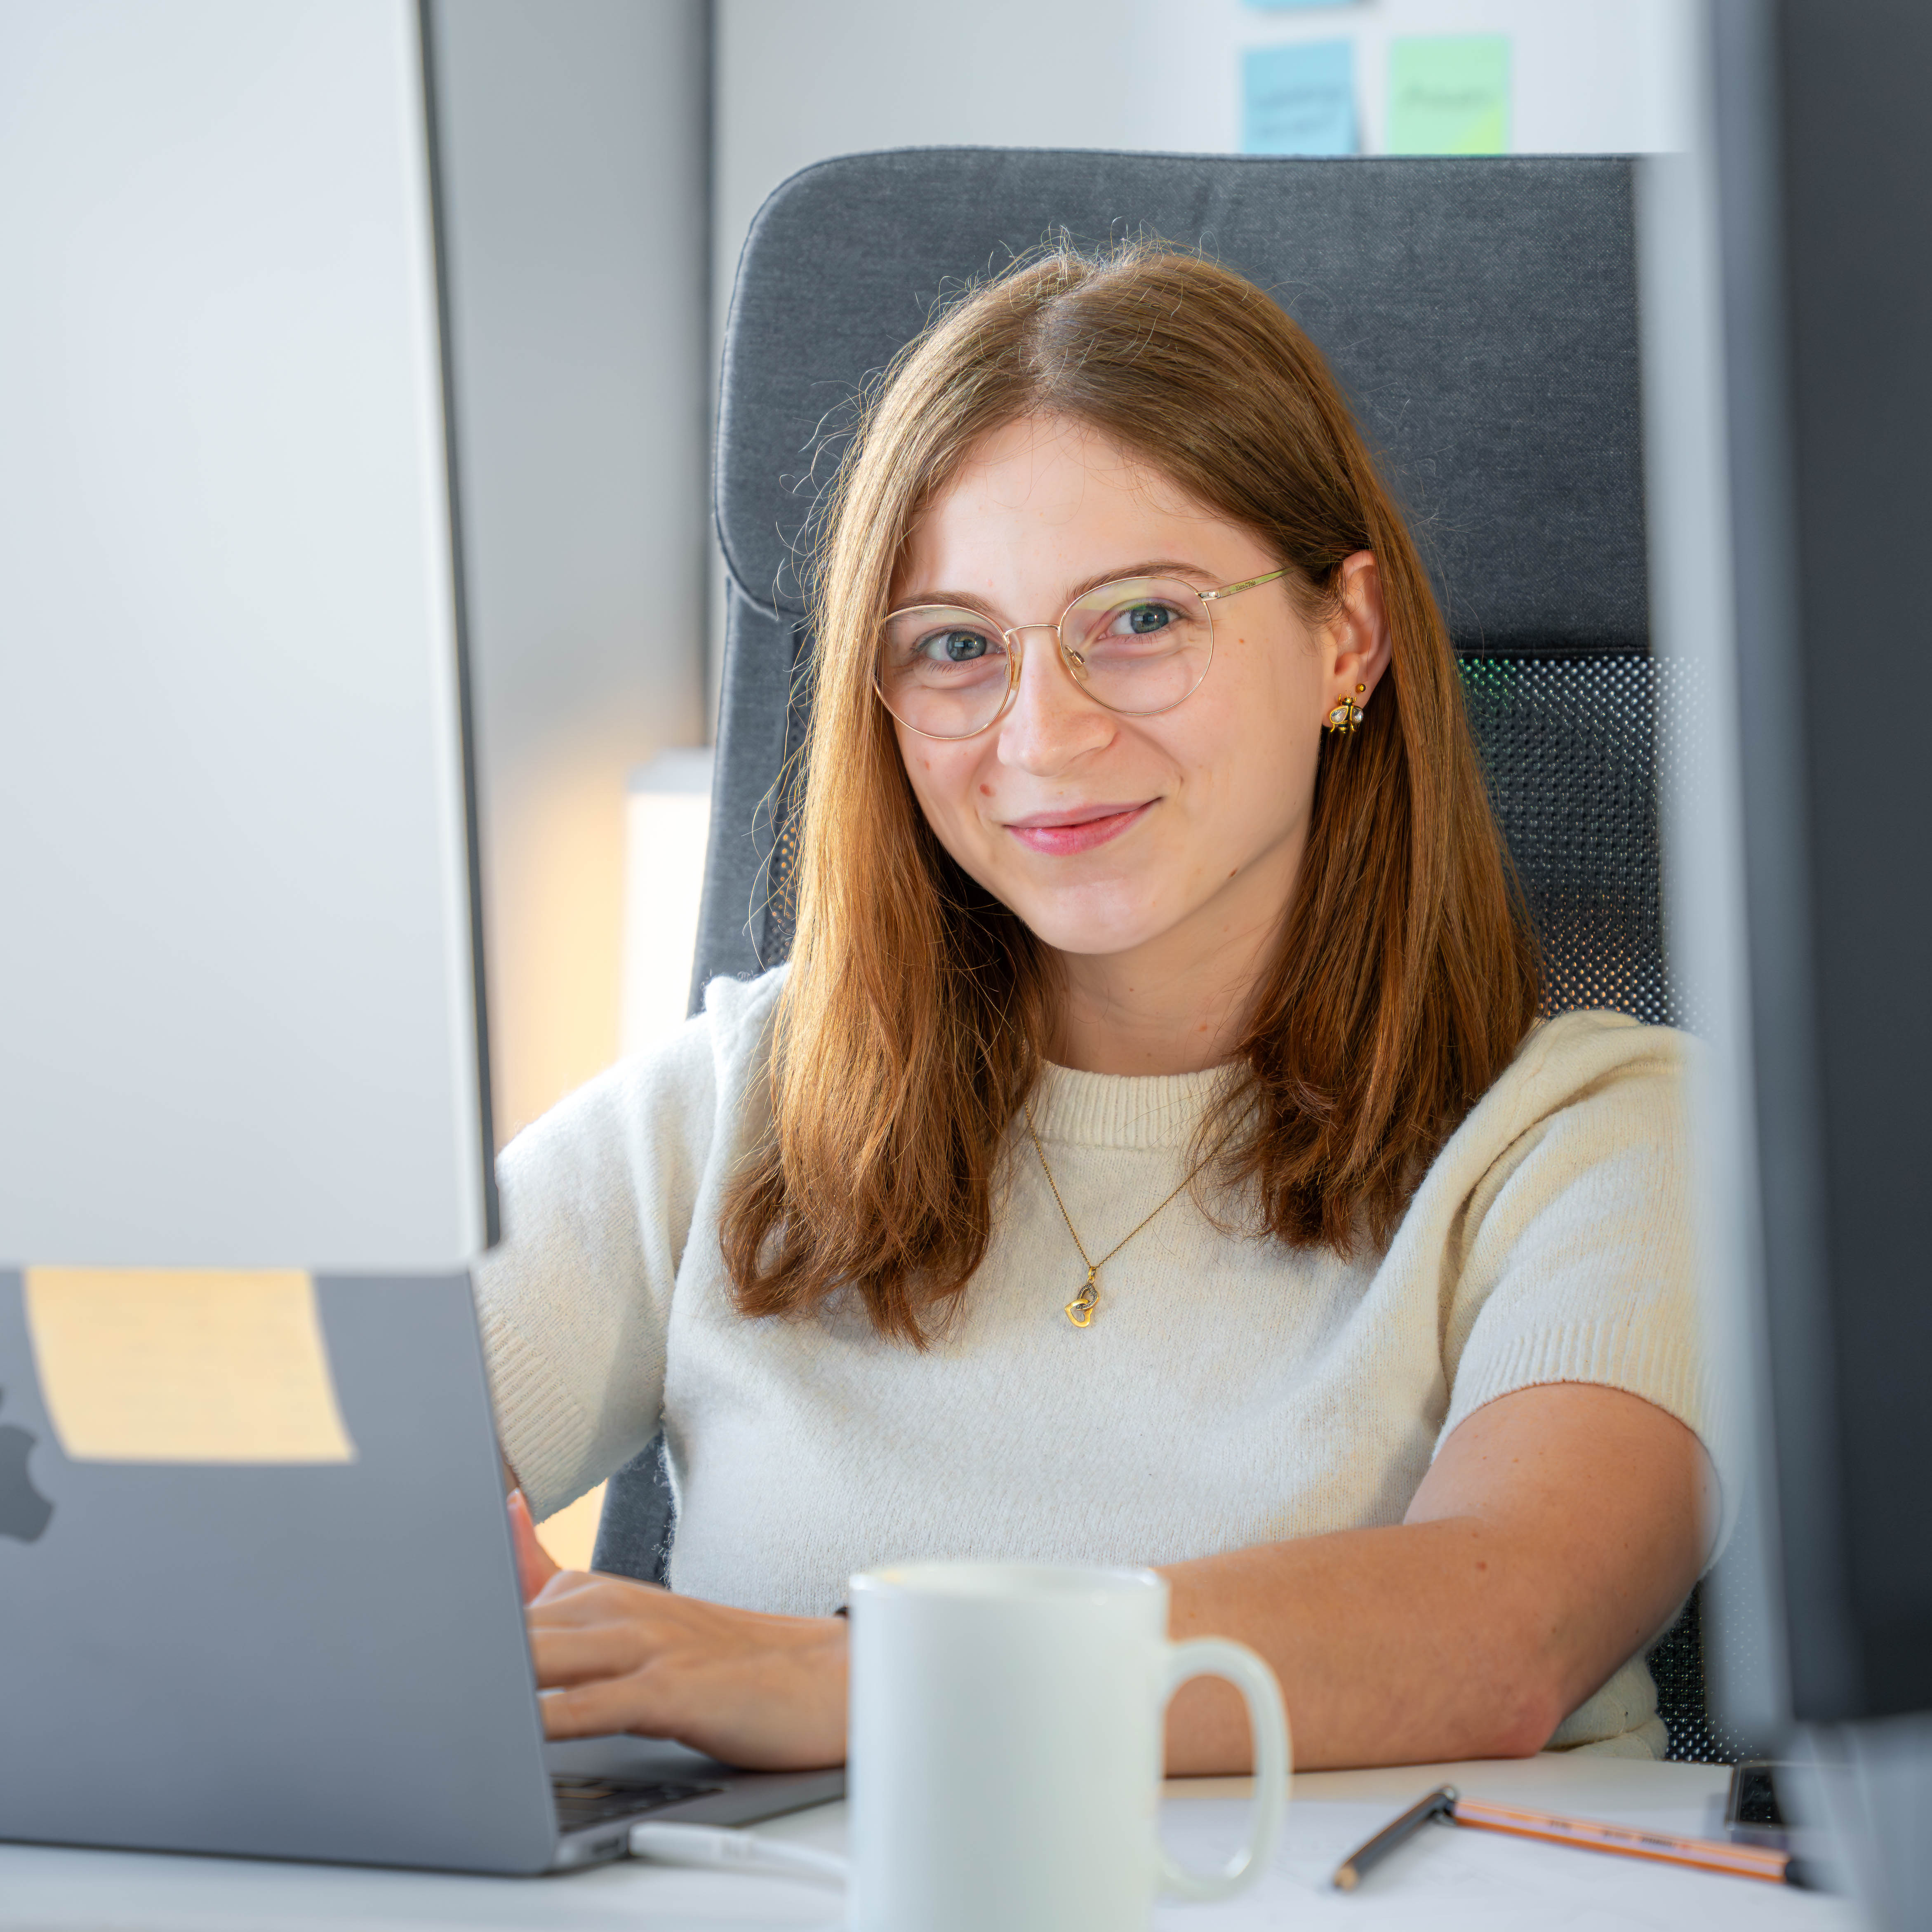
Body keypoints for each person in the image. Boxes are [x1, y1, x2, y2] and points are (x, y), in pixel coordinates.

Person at [478, 242, 1723, 1774]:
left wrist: (857, 1686)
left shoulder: (1604, 1136)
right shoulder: (745, 1098)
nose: (1043, 734)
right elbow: (316, 1468)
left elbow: (1506, 1629)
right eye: (955, 647)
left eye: (1140, 619)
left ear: (1349, 637)